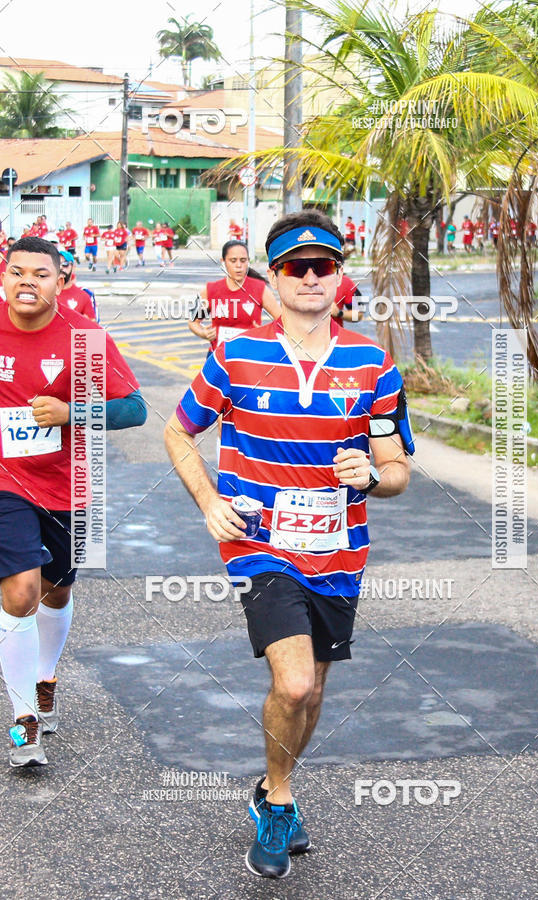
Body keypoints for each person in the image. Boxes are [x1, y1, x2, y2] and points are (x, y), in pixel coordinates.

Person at [165, 209, 413, 879]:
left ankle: (277, 782)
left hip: (339, 552)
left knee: (314, 690)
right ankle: (278, 800)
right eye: (294, 267)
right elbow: (176, 432)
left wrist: (374, 475)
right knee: (294, 679)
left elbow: (396, 470)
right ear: (272, 279)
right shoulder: (236, 354)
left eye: (322, 265)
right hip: (260, 546)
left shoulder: (373, 363)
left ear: (340, 277)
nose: (309, 277)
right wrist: (211, 502)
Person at [0, 236, 146, 767]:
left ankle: (45, 677)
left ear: (60, 283)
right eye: (16, 272)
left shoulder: (84, 338)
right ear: (4, 276)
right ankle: (23, 721)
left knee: (57, 591)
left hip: (71, 482)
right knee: (21, 592)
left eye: (40, 274)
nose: (26, 283)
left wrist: (71, 412)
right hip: (6, 484)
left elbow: (134, 410)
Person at [189, 240, 279, 352]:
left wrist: (265, 333)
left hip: (249, 358)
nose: (238, 266)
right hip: (219, 358)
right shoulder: (211, 290)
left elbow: (283, 321)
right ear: (223, 262)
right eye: (233, 261)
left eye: (243, 260)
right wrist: (203, 333)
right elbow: (193, 322)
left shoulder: (260, 289)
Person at [56, 250, 98, 321]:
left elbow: (94, 330)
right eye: (57, 264)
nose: (61, 268)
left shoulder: (84, 295)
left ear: (73, 267)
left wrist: (80, 323)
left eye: (65, 264)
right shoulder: (45, 294)